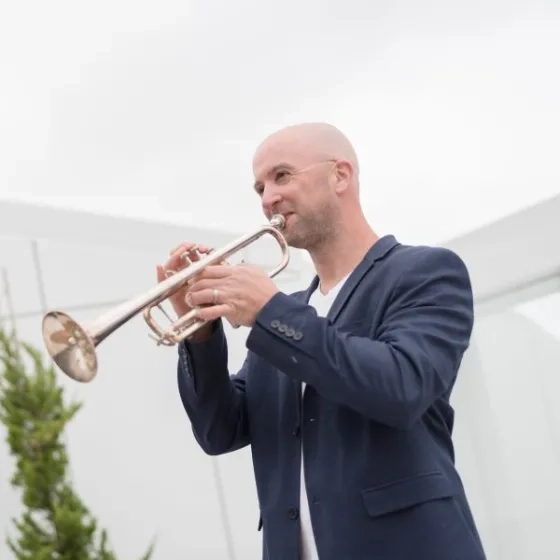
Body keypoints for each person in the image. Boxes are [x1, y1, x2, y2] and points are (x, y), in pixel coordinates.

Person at [158, 123, 487, 560]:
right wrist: (199, 331)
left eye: (282, 175)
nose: (267, 198)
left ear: (340, 175)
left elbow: (402, 386)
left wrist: (269, 313)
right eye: (259, 187)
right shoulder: (285, 313)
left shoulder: (424, 273)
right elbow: (220, 430)